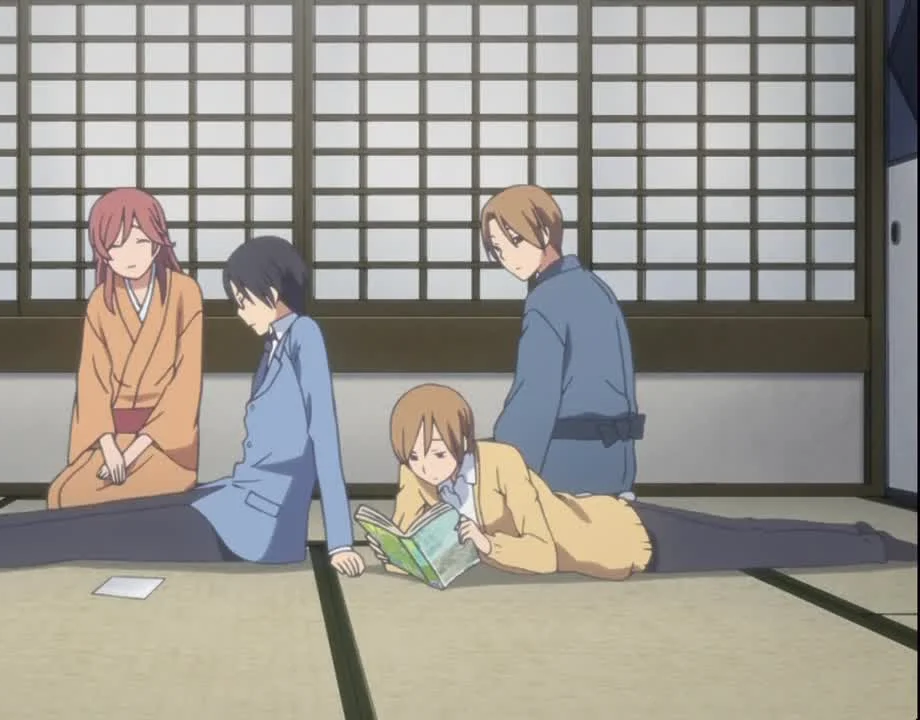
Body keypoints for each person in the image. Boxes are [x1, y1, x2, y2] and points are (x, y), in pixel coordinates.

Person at [0, 236, 366, 578]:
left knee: (77, 532)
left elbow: (325, 439)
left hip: (255, 531)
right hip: (230, 504)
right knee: (85, 518)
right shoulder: (275, 346)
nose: (238, 310)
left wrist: (340, 542)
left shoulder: (305, 336)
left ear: (272, 292)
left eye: (242, 299)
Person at [369, 384, 917, 581]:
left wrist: (488, 545)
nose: (426, 466)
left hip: (624, 538)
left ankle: (875, 544)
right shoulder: (416, 473)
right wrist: (389, 551)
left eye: (437, 453)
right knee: (749, 536)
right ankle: (864, 537)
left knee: (751, 539)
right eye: (414, 456)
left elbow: (544, 552)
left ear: (463, 440)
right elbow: (412, 536)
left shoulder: (502, 463)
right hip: (605, 530)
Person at [45, 188, 204, 509]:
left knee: (96, 498)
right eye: (116, 245)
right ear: (103, 251)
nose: (129, 255)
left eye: (139, 241)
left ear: (157, 241)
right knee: (62, 494)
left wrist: (131, 454)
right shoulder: (100, 302)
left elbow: (185, 385)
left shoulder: (184, 293)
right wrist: (109, 447)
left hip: (163, 442)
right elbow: (92, 383)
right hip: (109, 438)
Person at [480, 184, 642, 499]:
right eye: (498, 249)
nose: (507, 257)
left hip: (565, 466)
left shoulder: (546, 300)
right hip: (615, 463)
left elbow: (534, 398)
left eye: (515, 240)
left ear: (544, 232)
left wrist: (506, 466)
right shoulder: (594, 287)